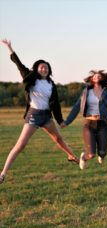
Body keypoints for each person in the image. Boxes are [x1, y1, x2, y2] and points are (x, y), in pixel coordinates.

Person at [0, 39, 78, 184]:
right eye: (41, 67)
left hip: (46, 116)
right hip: (34, 115)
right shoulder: (31, 78)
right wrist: (10, 48)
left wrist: (60, 120)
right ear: (37, 69)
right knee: (20, 145)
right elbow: (18, 64)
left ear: (49, 70)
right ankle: (3, 173)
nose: (44, 69)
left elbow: (55, 105)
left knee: (58, 138)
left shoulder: (51, 84)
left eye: (46, 67)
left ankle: (70, 155)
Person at [61, 70, 107, 170]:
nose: (96, 77)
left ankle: (101, 155)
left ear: (103, 78)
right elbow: (77, 107)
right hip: (89, 124)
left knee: (103, 152)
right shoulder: (86, 92)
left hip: (102, 124)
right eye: (94, 76)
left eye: (99, 76)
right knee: (91, 154)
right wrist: (67, 121)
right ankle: (83, 157)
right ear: (91, 79)